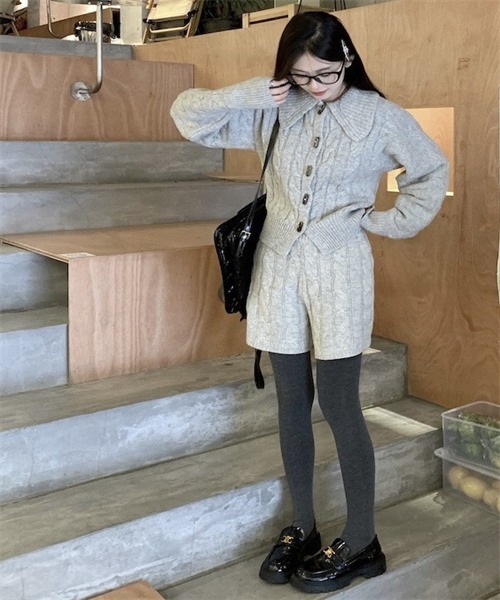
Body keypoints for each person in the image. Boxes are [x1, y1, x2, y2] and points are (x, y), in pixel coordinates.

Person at [171, 11, 449, 595]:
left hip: (340, 272)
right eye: (301, 76)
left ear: (346, 58)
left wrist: (381, 221)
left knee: (341, 404)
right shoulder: (275, 108)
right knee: (290, 403)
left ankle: (363, 540)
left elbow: (430, 172)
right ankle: (302, 525)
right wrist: (253, 92)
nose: (314, 87)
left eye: (324, 74)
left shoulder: (379, 117)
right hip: (276, 270)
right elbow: (187, 117)